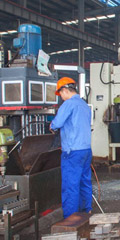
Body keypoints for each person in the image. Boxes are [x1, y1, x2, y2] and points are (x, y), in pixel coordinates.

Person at [50, 77, 92, 218]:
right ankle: (86, 212)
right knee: (84, 182)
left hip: (72, 151)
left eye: (60, 94)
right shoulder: (84, 104)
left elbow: (57, 123)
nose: (61, 97)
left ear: (65, 90)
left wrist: (51, 126)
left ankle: (71, 219)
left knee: (70, 185)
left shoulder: (68, 104)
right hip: (86, 150)